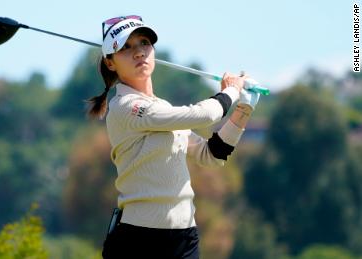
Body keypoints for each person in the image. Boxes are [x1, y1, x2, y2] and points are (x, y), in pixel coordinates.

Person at [87, 15, 260, 259]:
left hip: (183, 237)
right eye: (125, 47)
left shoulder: (162, 108)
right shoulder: (126, 106)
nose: (138, 53)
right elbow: (206, 114)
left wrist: (244, 110)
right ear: (111, 63)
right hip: (139, 239)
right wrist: (231, 89)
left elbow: (212, 154)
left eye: (144, 43)